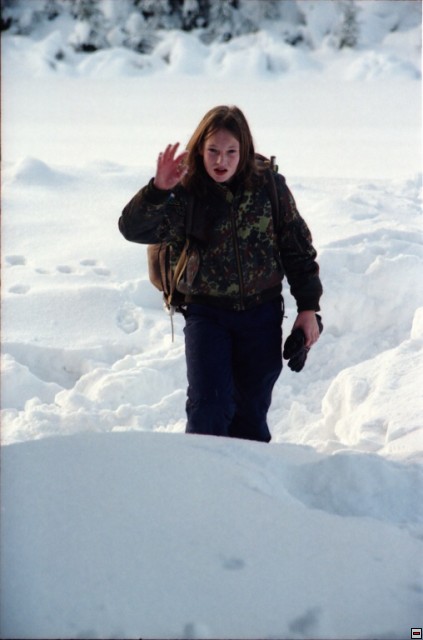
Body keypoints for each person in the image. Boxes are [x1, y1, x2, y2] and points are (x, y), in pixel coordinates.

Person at [119, 105, 323, 443]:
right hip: (207, 314)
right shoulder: (186, 192)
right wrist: (158, 190)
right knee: (209, 408)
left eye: (231, 151)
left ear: (244, 151)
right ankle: (203, 475)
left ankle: (244, 477)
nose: (221, 161)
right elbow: (134, 229)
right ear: (200, 149)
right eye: (213, 150)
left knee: (251, 413)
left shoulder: (269, 187)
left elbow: (297, 248)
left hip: (262, 314)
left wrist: (308, 308)